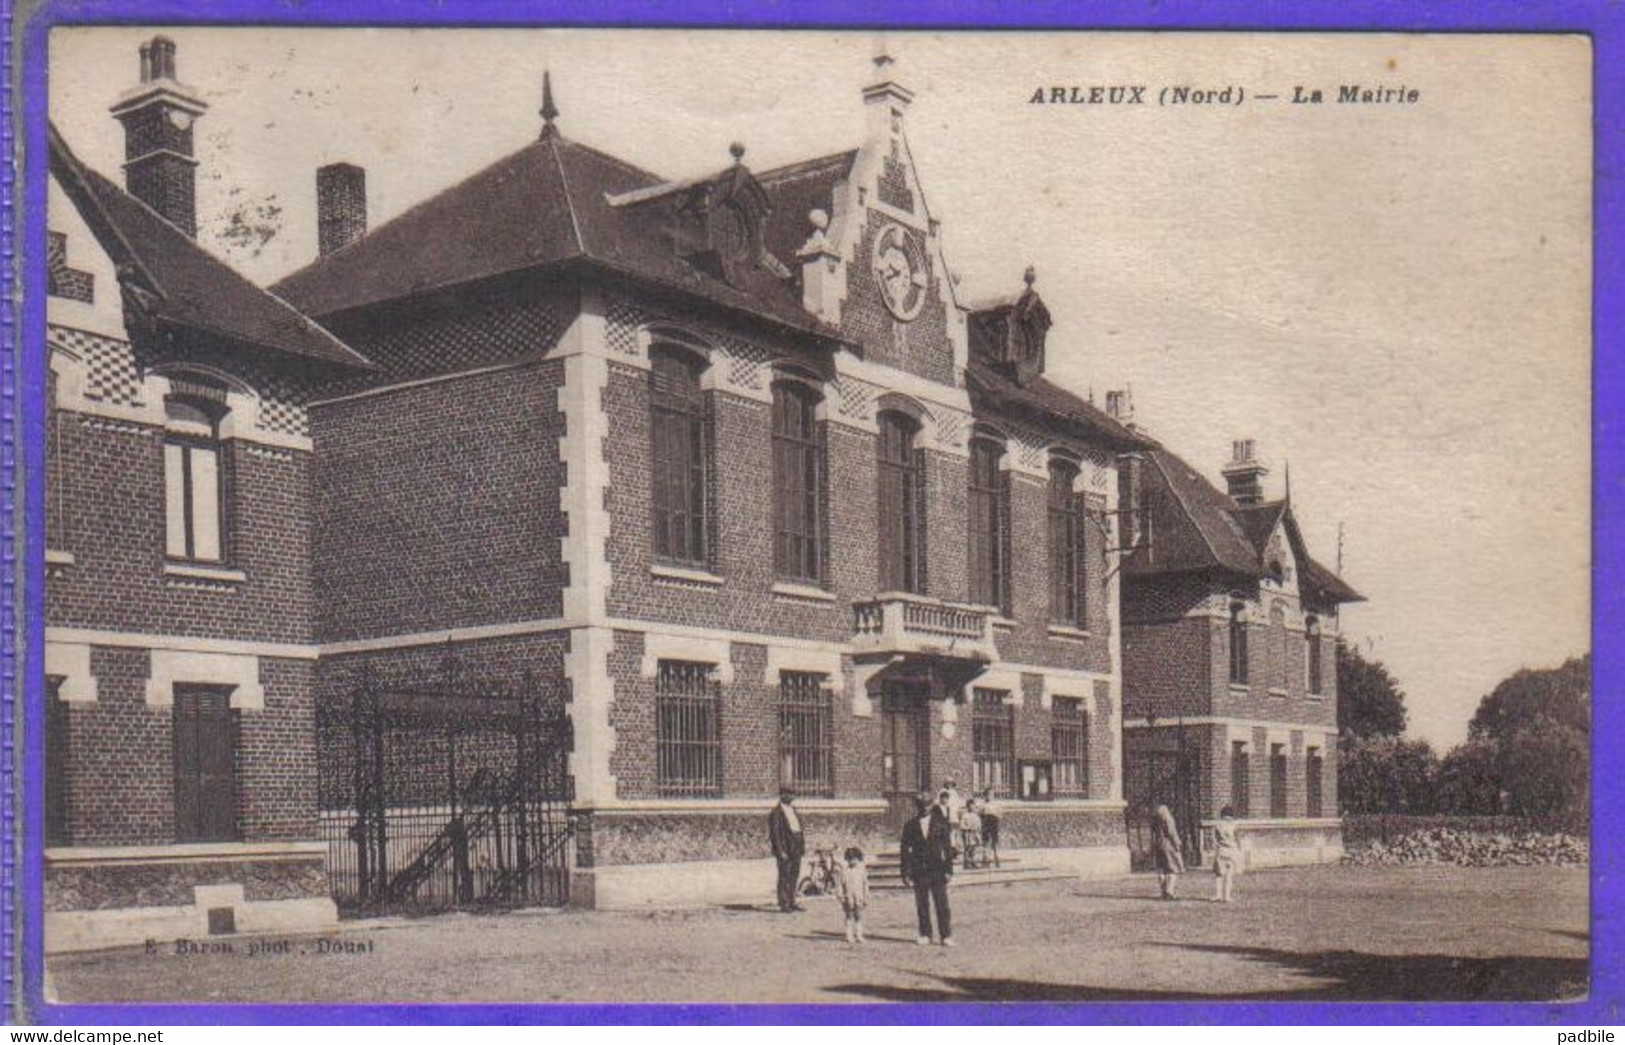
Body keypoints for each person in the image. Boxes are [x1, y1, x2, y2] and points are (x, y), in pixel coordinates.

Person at [901, 792, 956, 946]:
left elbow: (948, 848)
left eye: (927, 804)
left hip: (937, 868)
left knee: (942, 903)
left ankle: (946, 935)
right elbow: (905, 850)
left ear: (931, 805)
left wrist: (948, 870)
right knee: (922, 903)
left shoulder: (941, 823)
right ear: (916, 806)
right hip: (919, 869)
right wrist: (905, 872)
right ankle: (925, 933)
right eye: (920, 805)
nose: (924, 808)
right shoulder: (910, 825)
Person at [768, 790, 806, 913]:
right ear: (782, 795)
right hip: (786, 849)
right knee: (784, 876)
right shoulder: (776, 813)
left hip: (796, 849)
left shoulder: (793, 810)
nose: (792, 797)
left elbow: (799, 829)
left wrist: (801, 847)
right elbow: (775, 834)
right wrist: (780, 851)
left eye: (793, 794)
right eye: (789, 794)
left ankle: (792, 901)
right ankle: (783, 903)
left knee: (794, 875)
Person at [835, 846, 870, 943]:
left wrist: (866, 896)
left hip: (859, 897)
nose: (853, 861)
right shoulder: (844, 872)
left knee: (858, 916)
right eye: (850, 859)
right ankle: (849, 935)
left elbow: (865, 884)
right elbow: (839, 885)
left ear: (859, 859)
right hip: (848, 898)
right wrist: (841, 897)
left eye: (855, 859)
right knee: (849, 916)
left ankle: (859, 935)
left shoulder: (862, 871)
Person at [1153, 803, 1185, 899]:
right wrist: (1177, 844)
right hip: (1168, 845)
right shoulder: (1168, 819)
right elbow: (1172, 833)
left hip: (1158, 844)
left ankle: (1163, 891)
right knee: (1172, 868)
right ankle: (1170, 891)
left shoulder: (1156, 821)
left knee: (1161, 869)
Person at [1211, 805, 1241, 904]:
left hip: (1221, 850)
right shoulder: (1234, 825)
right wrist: (1239, 849)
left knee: (1219, 874)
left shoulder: (1218, 825)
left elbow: (1214, 838)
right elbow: (1237, 838)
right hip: (1232, 850)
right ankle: (1227, 896)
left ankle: (1218, 895)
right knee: (1229, 875)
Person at [978, 789, 1002, 868]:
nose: (989, 796)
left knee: (995, 842)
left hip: (994, 823)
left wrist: (996, 820)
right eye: (987, 795)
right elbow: (980, 813)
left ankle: (997, 858)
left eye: (991, 794)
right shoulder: (983, 804)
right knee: (985, 842)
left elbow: (1000, 814)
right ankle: (986, 860)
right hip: (985, 823)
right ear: (985, 796)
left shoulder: (997, 804)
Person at [959, 799, 984, 869]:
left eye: (973, 806)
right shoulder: (965, 815)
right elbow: (962, 825)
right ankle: (967, 863)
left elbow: (979, 824)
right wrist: (967, 828)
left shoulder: (975, 815)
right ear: (967, 807)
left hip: (975, 834)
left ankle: (973, 862)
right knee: (968, 849)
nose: (972, 807)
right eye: (970, 806)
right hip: (968, 834)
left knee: (974, 849)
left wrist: (978, 829)